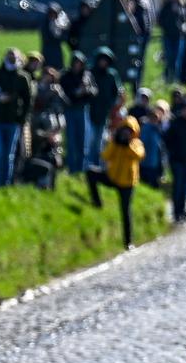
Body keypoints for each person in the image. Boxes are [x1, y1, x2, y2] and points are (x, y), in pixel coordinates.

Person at [102, 103, 145, 249]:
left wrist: (127, 145)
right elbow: (106, 156)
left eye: (129, 131)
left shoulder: (136, 144)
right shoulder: (116, 143)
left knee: (126, 212)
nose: (126, 133)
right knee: (91, 174)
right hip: (113, 177)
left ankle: (128, 241)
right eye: (124, 130)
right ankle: (97, 203)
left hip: (127, 182)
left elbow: (138, 156)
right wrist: (115, 143)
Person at [0, 49, 34, 187]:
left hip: (13, 122)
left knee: (9, 154)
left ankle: (5, 184)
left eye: (14, 57)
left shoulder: (22, 77)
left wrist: (22, 119)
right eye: (9, 56)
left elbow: (27, 100)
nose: (12, 59)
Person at [59, 53, 96, 181]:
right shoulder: (65, 76)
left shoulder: (87, 75)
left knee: (83, 141)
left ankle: (82, 169)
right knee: (71, 141)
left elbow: (94, 91)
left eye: (80, 63)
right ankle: (71, 168)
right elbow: (63, 94)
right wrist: (76, 92)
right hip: (70, 110)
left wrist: (87, 90)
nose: (77, 65)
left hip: (82, 110)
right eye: (76, 63)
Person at [162, 95, 186, 221]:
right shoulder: (174, 123)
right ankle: (176, 212)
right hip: (177, 160)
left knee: (185, 186)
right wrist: (173, 152)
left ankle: (182, 210)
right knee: (178, 186)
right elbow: (166, 140)